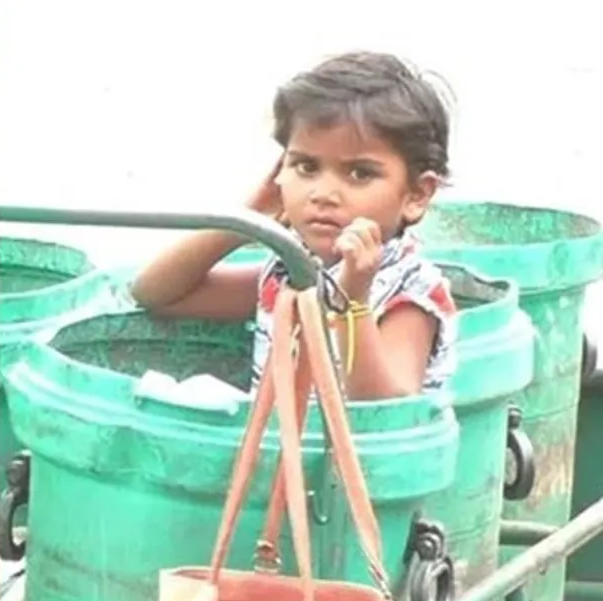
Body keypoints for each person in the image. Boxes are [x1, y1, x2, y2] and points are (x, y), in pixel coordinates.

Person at [130, 51, 458, 401]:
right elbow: (156, 294)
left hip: (360, 457)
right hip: (276, 451)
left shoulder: (411, 291)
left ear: (417, 195)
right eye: (306, 167)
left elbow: (386, 410)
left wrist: (354, 302)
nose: (323, 193)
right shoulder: (288, 273)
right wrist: (250, 217)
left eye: (360, 173)